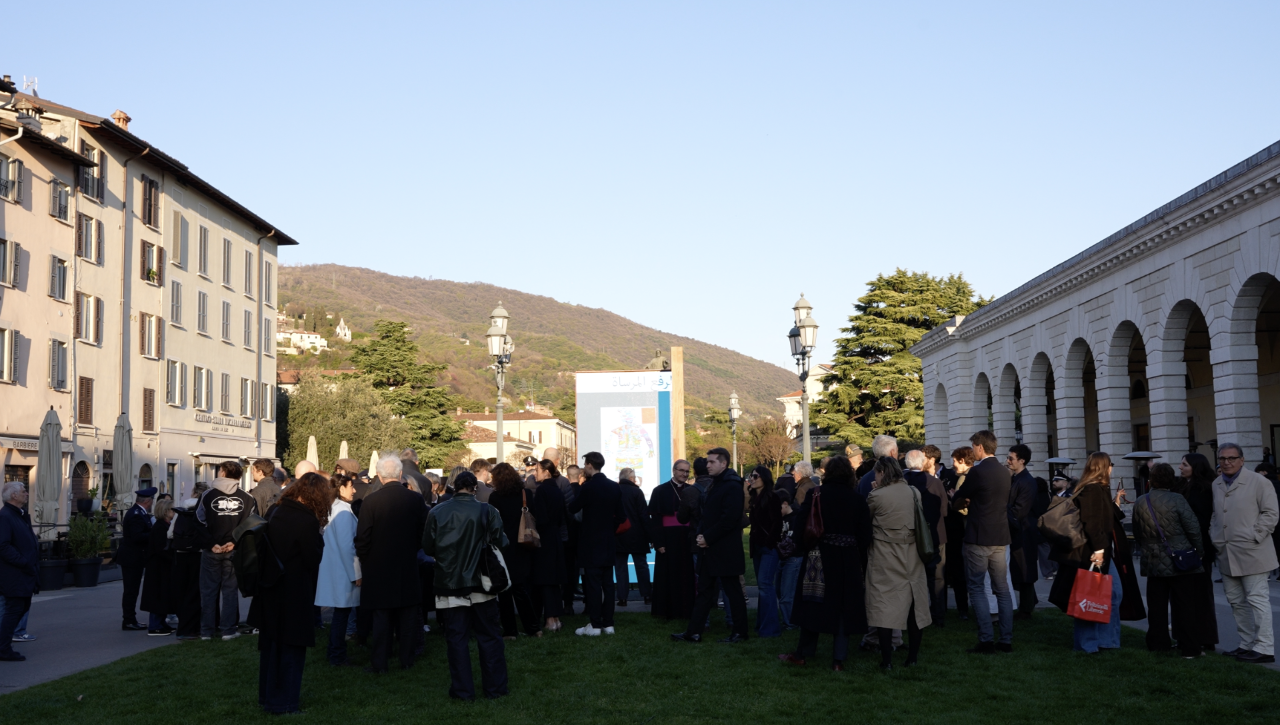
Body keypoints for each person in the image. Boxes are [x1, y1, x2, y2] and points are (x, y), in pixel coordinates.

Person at [422, 471, 509, 701]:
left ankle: (463, 691)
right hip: (483, 582)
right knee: (489, 637)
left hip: (449, 584)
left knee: (456, 640)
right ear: (474, 488)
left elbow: (428, 547)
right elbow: (502, 541)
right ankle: (495, 688)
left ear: (454, 486)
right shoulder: (488, 510)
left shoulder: (437, 512)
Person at [778, 456, 872, 669]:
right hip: (847, 559)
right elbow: (865, 534)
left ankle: (802, 653)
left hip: (818, 557)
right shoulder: (857, 499)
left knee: (812, 603)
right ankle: (838, 660)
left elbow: (801, 526)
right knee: (843, 607)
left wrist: (803, 546)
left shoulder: (816, 494)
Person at [247, 473, 326, 715]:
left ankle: (267, 696)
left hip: (270, 588)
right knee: (291, 650)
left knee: (271, 648)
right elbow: (312, 558)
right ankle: (285, 703)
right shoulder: (306, 520)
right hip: (293, 591)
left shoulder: (276, 511)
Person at [1047, 452, 1126, 654]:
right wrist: (1099, 550)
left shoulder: (1097, 488)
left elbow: (1103, 518)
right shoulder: (1092, 489)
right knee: (1090, 597)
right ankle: (1088, 644)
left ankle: (1105, 641)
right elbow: (1091, 523)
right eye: (1110, 464)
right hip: (1092, 552)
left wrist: (1116, 504)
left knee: (1111, 594)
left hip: (1099, 551)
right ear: (1103, 467)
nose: (1112, 468)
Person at [355, 454, 428, 672]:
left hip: (378, 567)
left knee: (381, 617)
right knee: (407, 616)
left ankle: (380, 662)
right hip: (407, 564)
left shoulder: (370, 501)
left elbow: (362, 538)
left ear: (379, 476)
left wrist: (367, 561)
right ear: (400, 474)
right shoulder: (415, 500)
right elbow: (423, 533)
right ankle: (407, 659)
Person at [1209, 443, 1278, 664]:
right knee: (1236, 601)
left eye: (1231, 458)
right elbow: (1216, 514)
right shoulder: (1216, 483)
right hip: (1226, 551)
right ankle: (1246, 644)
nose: (1226, 462)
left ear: (1242, 459)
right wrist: (1214, 534)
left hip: (1253, 551)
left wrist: (1255, 535)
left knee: (1257, 600)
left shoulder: (1259, 481)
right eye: (1222, 458)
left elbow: (1271, 513)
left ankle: (1264, 647)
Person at [672, 448, 748, 644]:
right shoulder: (716, 484)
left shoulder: (732, 486)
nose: (708, 465)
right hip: (710, 548)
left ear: (724, 463)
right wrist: (703, 535)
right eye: (707, 462)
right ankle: (693, 632)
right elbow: (708, 515)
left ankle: (740, 631)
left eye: (712, 462)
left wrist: (708, 537)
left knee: (732, 591)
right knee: (704, 591)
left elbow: (730, 519)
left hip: (725, 549)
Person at [1132, 463, 1206, 658]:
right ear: (1171, 480)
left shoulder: (1141, 500)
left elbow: (1137, 531)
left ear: (1151, 480)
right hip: (1179, 556)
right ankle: (1189, 648)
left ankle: (1158, 644)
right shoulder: (1177, 499)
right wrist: (1198, 551)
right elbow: (1193, 528)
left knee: (1156, 606)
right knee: (1185, 605)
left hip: (1153, 558)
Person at [865, 456, 932, 669]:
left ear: (882, 472)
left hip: (885, 555)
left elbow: (867, 520)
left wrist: (876, 492)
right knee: (915, 606)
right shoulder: (914, 492)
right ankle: (912, 658)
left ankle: (887, 661)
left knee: (884, 607)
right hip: (912, 555)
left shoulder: (876, 496)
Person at [952, 431, 1013, 653]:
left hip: (979, 536)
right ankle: (1006, 640)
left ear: (979, 447)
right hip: (1000, 535)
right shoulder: (1005, 471)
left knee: (977, 587)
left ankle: (986, 639)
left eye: (974, 447)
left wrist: (961, 501)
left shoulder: (977, 472)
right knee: (1002, 589)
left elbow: (959, 496)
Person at [197, 461, 257, 641]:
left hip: (212, 550)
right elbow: (251, 524)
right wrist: (234, 542)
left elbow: (199, 521)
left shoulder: (207, 495)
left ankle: (207, 631)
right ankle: (228, 630)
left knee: (208, 591)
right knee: (230, 591)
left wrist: (211, 544)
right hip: (233, 550)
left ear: (222, 473)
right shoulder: (247, 497)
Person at [569, 452, 623, 636]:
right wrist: (609, 528)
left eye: (585, 464)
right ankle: (608, 623)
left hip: (590, 542)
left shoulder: (588, 487)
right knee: (608, 584)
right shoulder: (614, 487)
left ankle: (595, 624)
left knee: (593, 585)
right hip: (608, 541)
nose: (584, 467)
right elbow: (621, 516)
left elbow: (573, 507)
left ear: (590, 465)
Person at [488, 463, 542, 639]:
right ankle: (533, 628)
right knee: (521, 589)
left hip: (504, 546)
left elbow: (493, 523)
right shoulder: (526, 494)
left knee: (505, 590)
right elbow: (534, 516)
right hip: (523, 544)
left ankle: (510, 630)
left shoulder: (495, 497)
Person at [316, 475, 361, 666]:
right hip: (343, 570)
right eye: (351, 486)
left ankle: (335, 652)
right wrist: (356, 573)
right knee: (341, 615)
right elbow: (347, 546)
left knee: (340, 615)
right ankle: (337, 654)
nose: (354, 490)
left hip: (337, 569)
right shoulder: (342, 511)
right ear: (341, 488)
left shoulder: (333, 508)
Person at [903, 449, 947, 626]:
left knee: (910, 576)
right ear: (922, 463)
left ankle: (911, 615)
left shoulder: (901, 483)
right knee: (936, 576)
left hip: (910, 535)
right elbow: (944, 510)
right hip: (934, 534)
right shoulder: (935, 482)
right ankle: (938, 615)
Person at [647, 460, 696, 620]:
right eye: (681, 470)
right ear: (674, 470)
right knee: (667, 575)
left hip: (687, 537)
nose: (684, 474)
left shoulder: (691, 490)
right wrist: (658, 542)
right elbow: (655, 519)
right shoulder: (660, 490)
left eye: (687, 471)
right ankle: (665, 611)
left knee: (686, 574)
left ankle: (685, 609)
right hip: (667, 538)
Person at [0, 482, 37, 662]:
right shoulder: (6, 516)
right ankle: (3, 648)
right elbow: (3, 546)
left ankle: (3, 646)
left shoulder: (19, 515)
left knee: (21, 607)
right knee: (14, 609)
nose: (27, 494)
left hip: (23, 572)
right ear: (13, 495)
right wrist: (24, 562)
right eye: (23, 491)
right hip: (14, 574)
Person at [746, 466, 784, 638]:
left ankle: (770, 629)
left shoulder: (772, 497)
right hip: (758, 547)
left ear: (764, 478)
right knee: (763, 586)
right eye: (751, 476)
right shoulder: (755, 498)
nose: (752, 479)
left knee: (765, 585)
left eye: (755, 476)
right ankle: (762, 625)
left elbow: (777, 523)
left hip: (768, 548)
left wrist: (769, 543)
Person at [1005, 444, 1041, 619]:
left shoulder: (1026, 481)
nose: (1008, 461)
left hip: (1023, 531)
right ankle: (1029, 603)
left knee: (1024, 569)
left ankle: (1026, 609)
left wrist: (1001, 508)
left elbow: (1019, 511)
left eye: (1011, 458)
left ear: (1022, 461)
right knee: (1020, 569)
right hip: (1018, 530)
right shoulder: (1017, 478)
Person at [530, 460, 566, 631]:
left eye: (537, 470)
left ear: (546, 472)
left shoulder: (542, 490)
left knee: (545, 578)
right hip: (555, 537)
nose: (534, 473)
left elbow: (541, 518)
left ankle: (550, 619)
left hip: (544, 538)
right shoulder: (557, 490)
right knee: (554, 580)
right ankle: (555, 618)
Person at [170, 483, 207, 641]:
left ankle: (182, 626)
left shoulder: (181, 509)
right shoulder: (204, 509)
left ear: (193, 492)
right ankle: (192, 628)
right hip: (197, 553)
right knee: (195, 591)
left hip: (180, 554)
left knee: (182, 591)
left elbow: (170, 533)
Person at [118, 486, 156, 632]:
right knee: (131, 590)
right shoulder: (136, 514)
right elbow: (137, 536)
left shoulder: (139, 512)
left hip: (135, 557)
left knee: (132, 589)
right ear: (148, 501)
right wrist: (154, 534)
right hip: (132, 557)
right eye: (152, 500)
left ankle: (130, 619)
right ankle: (129, 620)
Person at [615, 468, 652, 607]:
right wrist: (650, 536)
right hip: (637, 535)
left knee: (620, 568)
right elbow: (643, 515)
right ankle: (647, 595)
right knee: (641, 566)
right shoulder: (637, 492)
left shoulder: (615, 491)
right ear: (631, 479)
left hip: (619, 535)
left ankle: (622, 598)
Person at [944, 447, 974, 620]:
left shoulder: (965, 478)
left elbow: (966, 507)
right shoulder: (965, 476)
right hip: (963, 532)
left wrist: (953, 501)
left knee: (963, 573)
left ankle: (965, 609)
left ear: (962, 460)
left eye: (955, 460)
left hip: (964, 531)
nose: (953, 464)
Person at [141, 498, 176, 635]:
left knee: (163, 595)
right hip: (158, 568)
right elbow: (161, 548)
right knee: (157, 596)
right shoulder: (160, 527)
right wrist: (173, 558)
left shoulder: (164, 525)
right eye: (172, 509)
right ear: (166, 511)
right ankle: (155, 625)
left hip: (161, 567)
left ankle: (161, 622)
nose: (174, 512)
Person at [561, 463, 583, 615]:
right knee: (585, 571)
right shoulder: (584, 491)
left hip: (568, 537)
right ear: (580, 476)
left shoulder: (564, 492)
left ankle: (568, 603)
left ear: (567, 476)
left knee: (568, 571)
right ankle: (588, 604)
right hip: (582, 537)